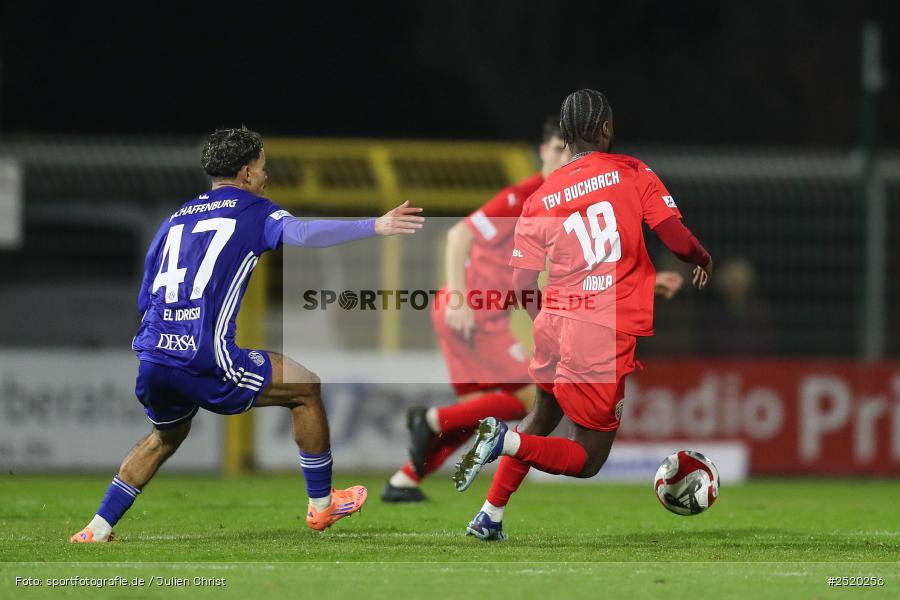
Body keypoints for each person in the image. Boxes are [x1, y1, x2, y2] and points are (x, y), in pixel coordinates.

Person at [70, 128, 424, 542]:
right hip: (204, 356)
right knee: (306, 387)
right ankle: (323, 504)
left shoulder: (175, 218)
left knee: (165, 437)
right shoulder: (253, 210)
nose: (266, 175)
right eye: (262, 167)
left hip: (153, 356)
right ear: (245, 173)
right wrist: (375, 225)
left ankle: (98, 528)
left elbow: (145, 297)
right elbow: (303, 235)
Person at [452, 89, 712, 541]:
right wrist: (703, 259)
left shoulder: (541, 197)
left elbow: (519, 287)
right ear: (606, 129)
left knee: (542, 417)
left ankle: (488, 516)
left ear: (566, 137)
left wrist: (547, 321)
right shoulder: (632, 172)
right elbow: (677, 239)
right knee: (589, 458)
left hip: (554, 321)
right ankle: (502, 441)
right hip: (601, 331)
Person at [382, 118, 686, 503]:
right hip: (472, 311)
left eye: (568, 149)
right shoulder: (525, 195)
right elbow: (458, 235)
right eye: (557, 149)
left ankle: (404, 479)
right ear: (543, 151)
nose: (565, 157)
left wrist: (642, 284)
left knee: (479, 413)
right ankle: (428, 421)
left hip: (484, 313)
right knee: (526, 402)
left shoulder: (563, 197)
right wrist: (459, 296)